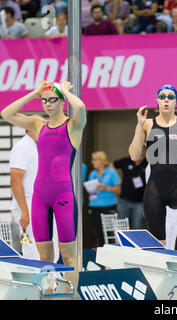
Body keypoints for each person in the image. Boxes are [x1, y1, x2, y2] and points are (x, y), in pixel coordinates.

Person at [1, 80, 86, 297]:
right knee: (44, 256)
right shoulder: (39, 125)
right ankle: (48, 292)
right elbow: (6, 113)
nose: (47, 104)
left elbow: (82, 107)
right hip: (40, 197)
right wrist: (34, 93)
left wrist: (64, 90)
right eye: (44, 100)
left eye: (52, 100)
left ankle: (72, 294)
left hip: (63, 196)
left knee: (69, 256)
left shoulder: (72, 126)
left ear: (61, 101)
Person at [129, 84, 177, 255]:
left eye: (170, 97)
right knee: (159, 247)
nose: (166, 100)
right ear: (157, 101)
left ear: (176, 101)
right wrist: (139, 126)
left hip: (176, 186)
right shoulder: (147, 124)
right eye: (162, 97)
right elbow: (134, 155)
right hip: (155, 190)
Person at [9, 129, 59, 262]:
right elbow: (15, 181)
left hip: (46, 202)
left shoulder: (43, 147)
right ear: (31, 129)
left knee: (52, 245)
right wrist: (24, 211)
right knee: (33, 249)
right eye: (41, 127)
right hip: (29, 203)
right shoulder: (22, 147)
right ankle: (36, 280)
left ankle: (51, 280)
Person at [87, 151, 121, 247]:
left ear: (101, 160)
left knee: (110, 230)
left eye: (95, 160)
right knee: (97, 229)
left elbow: (118, 189)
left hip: (108, 205)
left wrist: (106, 187)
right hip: (94, 205)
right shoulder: (92, 173)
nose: (92, 162)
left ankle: (111, 250)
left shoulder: (111, 172)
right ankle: (100, 249)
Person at [112, 150, 147, 229]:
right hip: (124, 200)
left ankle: (137, 241)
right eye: (139, 151)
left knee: (138, 226)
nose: (141, 153)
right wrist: (117, 179)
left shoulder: (147, 164)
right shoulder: (126, 161)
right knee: (122, 226)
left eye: (143, 151)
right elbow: (111, 166)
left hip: (140, 202)